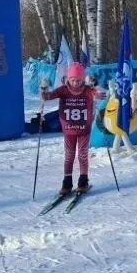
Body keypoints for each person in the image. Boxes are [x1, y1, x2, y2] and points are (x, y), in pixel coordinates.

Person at [40, 62, 105, 197]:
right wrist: (43, 88)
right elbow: (47, 97)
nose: (75, 83)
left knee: (82, 155)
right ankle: (67, 183)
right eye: (73, 80)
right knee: (69, 156)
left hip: (83, 129)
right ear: (68, 79)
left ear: (83, 80)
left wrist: (95, 84)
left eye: (79, 80)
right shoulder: (63, 90)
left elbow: (101, 95)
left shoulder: (88, 90)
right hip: (69, 129)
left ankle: (83, 181)